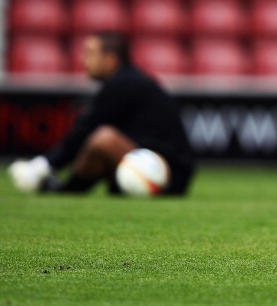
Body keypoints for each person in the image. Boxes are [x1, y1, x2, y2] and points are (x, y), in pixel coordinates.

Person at [8, 31, 195, 195]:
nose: (83, 60)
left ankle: (66, 190)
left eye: (90, 53)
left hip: (167, 174)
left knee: (103, 139)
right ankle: (67, 189)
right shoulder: (129, 80)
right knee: (101, 143)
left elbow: (85, 132)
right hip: (156, 165)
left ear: (110, 59)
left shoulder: (123, 84)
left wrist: (42, 166)